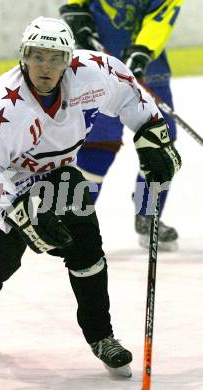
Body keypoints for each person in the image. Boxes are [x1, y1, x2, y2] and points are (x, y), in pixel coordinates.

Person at [0, 16, 181, 378]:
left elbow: (129, 93)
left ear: (69, 59)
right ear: (23, 57)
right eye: (37, 56)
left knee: (87, 250)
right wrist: (18, 212)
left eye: (56, 57)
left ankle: (101, 336)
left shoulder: (92, 73)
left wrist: (151, 133)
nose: (46, 66)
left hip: (56, 178)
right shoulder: (2, 108)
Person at [60, 0, 183, 251]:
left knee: (161, 146)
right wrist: (76, 11)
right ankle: (71, 221)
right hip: (99, 68)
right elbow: (76, 5)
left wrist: (142, 51)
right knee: (97, 148)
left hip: (148, 68)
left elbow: (162, 16)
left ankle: (148, 216)